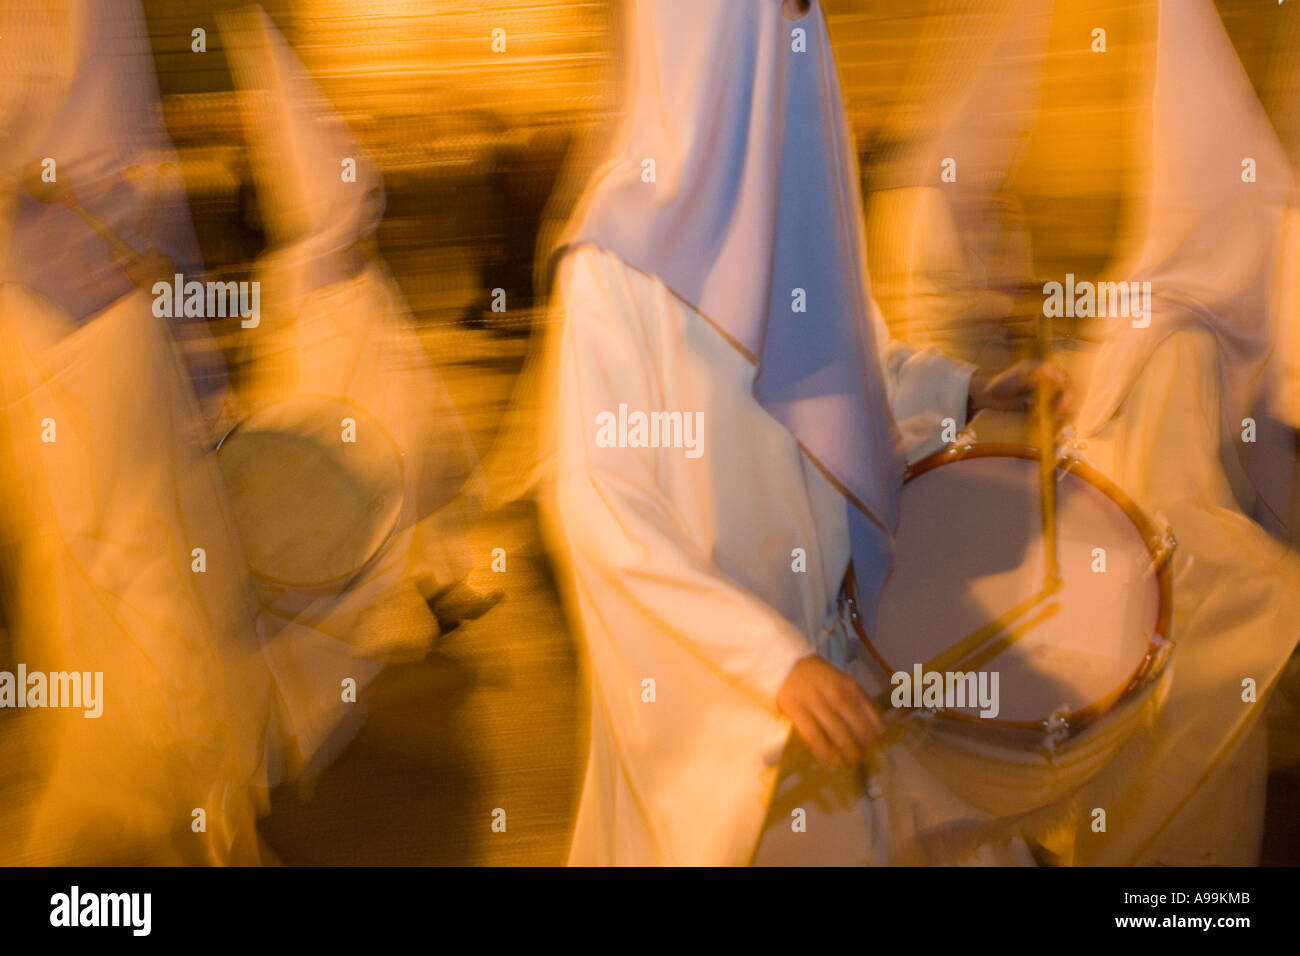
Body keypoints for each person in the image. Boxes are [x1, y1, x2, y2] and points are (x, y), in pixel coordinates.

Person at [540, 0, 1067, 866]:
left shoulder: (796, 232)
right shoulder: (613, 270)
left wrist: (970, 388)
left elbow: (858, 371)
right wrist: (767, 663)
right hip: (736, 693)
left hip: (839, 656)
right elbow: (604, 510)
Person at [0, 0, 273, 864]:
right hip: (95, 319)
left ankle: (193, 793)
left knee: (115, 564)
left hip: (66, 330)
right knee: (128, 561)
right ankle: (201, 793)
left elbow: (63, 147)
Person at [1064, 0, 1300, 865]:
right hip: (1174, 686)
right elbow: (1176, 537)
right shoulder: (1182, 344)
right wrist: (1280, 582)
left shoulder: (1164, 320)